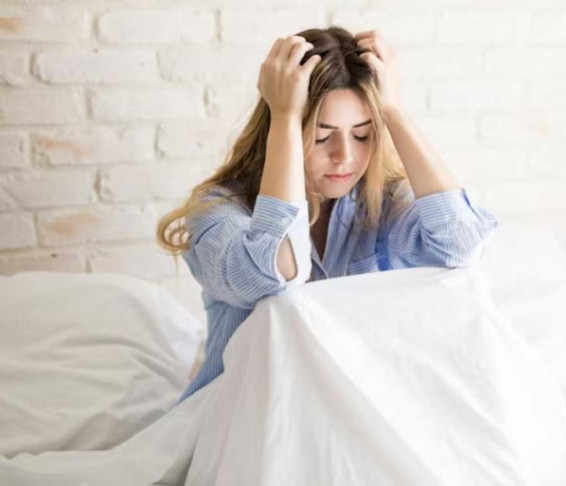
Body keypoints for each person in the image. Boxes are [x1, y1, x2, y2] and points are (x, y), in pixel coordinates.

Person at [155, 26, 499, 402]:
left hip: (356, 408)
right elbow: (270, 275)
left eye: (362, 135)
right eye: (321, 137)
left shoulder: (382, 200)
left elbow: (462, 247)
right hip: (249, 409)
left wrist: (393, 110)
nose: (345, 157)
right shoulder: (219, 209)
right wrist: (285, 117)